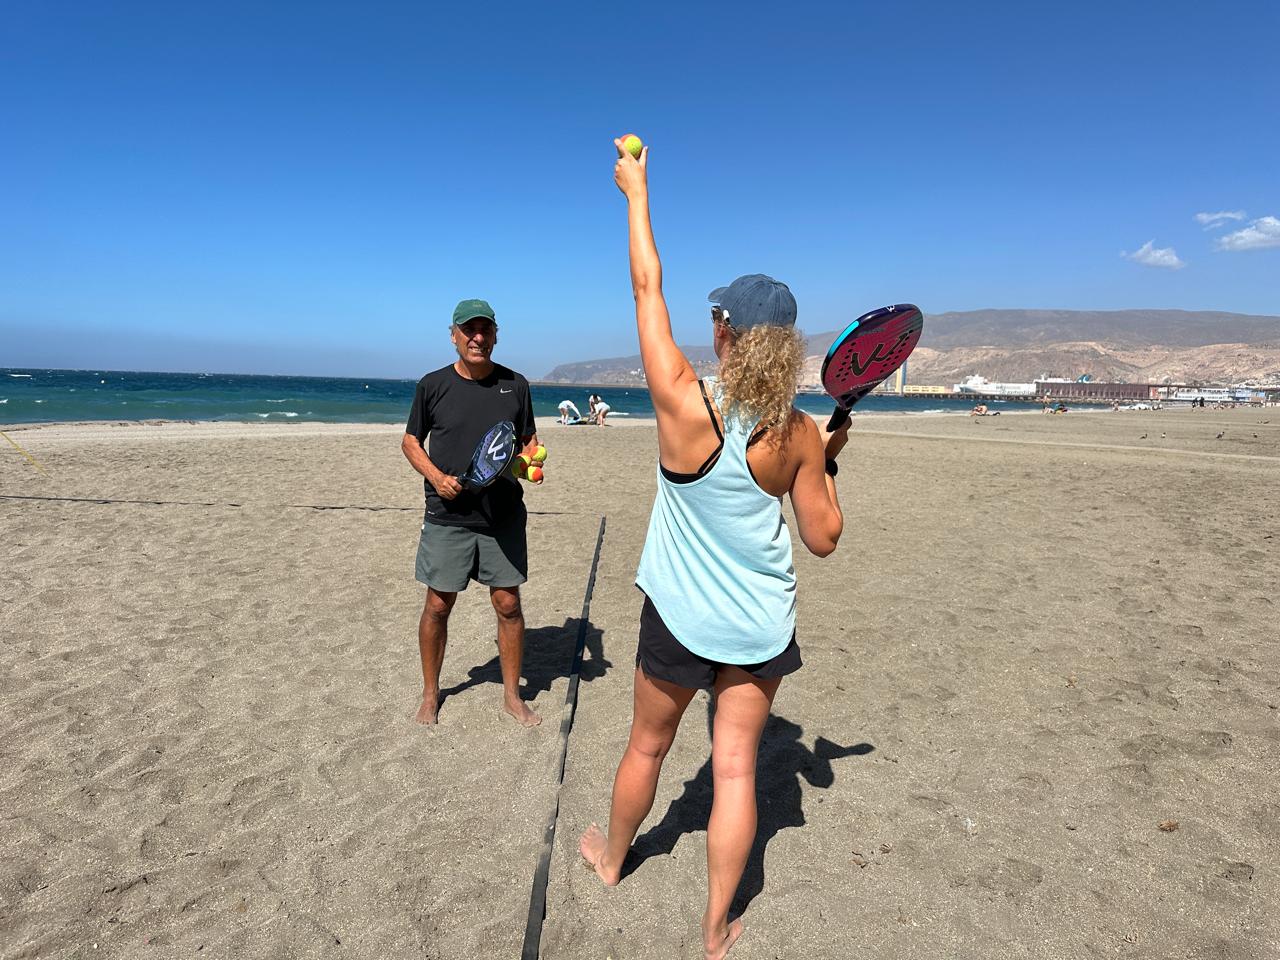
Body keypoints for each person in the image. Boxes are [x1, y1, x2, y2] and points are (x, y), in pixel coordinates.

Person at [577, 140, 847, 960]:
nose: (712, 327)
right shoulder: (797, 432)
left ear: (728, 333)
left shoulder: (682, 403)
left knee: (647, 747)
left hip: (682, 619)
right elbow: (825, 538)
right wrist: (827, 466)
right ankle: (715, 926)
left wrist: (636, 191)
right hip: (759, 627)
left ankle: (614, 859)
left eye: (719, 318)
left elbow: (646, 286)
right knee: (734, 772)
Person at [400, 298, 542, 727]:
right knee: (439, 605)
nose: (477, 338)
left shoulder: (515, 385)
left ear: (496, 335)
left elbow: (527, 442)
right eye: (468, 330)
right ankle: (430, 694)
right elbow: (410, 442)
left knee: (508, 604)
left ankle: (512, 696)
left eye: (485, 330)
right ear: (454, 335)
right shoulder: (432, 385)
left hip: (502, 515)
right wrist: (437, 477)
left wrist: (530, 463)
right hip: (447, 514)